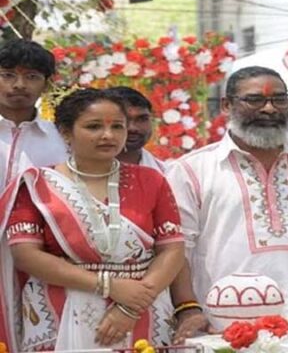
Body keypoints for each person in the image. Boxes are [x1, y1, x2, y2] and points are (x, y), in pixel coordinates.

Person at [167, 66, 288, 341]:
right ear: (226, 105)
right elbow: (177, 250)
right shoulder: (192, 170)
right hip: (224, 327)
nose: (270, 109)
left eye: (279, 100)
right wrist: (188, 310)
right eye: (255, 100)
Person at [0, 88, 185, 351]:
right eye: (94, 126)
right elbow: (26, 255)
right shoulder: (36, 185)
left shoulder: (152, 180)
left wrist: (131, 306)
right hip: (59, 308)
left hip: (142, 307)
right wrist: (109, 286)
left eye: (117, 127)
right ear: (65, 132)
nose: (108, 135)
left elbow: (173, 249)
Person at [0, 39, 67, 187]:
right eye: (8, 75)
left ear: (46, 84)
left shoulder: (61, 138)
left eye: (31, 77)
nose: (19, 85)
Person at [104, 86, 165, 172]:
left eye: (142, 119)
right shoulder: (81, 174)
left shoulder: (167, 175)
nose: (132, 128)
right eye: (123, 120)